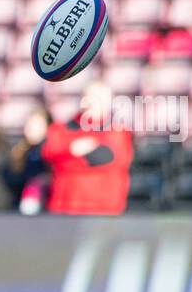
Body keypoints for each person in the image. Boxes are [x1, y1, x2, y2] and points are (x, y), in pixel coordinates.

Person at [42, 83, 132, 215]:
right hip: (65, 208)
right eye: (89, 97)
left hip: (104, 210)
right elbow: (50, 155)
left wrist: (69, 156)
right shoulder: (60, 129)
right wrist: (72, 151)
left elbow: (108, 159)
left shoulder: (118, 131)